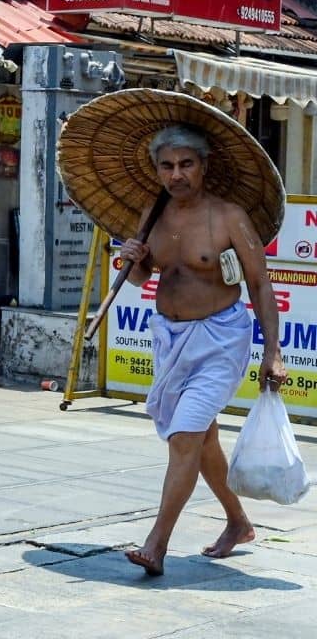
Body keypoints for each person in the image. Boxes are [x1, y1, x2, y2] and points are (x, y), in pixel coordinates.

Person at [118, 123, 286, 576]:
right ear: (157, 171)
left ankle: (156, 545)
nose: (177, 174)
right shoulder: (152, 213)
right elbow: (140, 278)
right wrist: (131, 259)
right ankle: (238, 522)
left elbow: (260, 284)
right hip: (170, 340)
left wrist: (273, 351)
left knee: (185, 435)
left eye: (186, 164)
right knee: (204, 438)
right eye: (167, 166)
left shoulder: (228, 216)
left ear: (204, 167)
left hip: (221, 340)